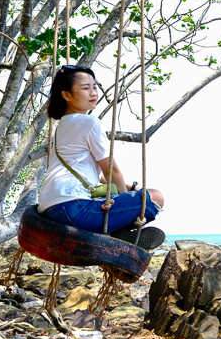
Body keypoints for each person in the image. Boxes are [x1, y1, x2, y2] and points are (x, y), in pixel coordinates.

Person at [38, 65, 165, 249]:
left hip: (51, 210)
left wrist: (133, 187)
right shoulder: (89, 122)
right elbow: (112, 171)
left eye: (94, 86)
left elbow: (95, 176)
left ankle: (119, 233)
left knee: (138, 193)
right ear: (66, 95)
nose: (93, 92)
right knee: (155, 197)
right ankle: (120, 233)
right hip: (75, 210)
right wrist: (127, 197)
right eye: (85, 87)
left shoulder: (62, 127)